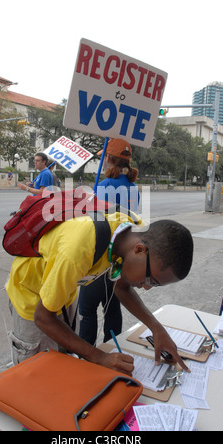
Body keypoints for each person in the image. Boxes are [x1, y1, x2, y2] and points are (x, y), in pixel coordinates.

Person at [5, 212, 194, 376]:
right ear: (139, 250)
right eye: (150, 279)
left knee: (63, 361)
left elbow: (121, 287)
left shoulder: (132, 231)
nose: (146, 287)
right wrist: (99, 356)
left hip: (62, 292)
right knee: (38, 374)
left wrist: (156, 328)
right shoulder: (78, 251)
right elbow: (44, 318)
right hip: (31, 296)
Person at [79, 138, 139, 345]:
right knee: (112, 307)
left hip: (101, 256)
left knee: (86, 310)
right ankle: (113, 348)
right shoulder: (133, 187)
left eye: (104, 157)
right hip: (121, 258)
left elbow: (96, 222)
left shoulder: (104, 185)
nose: (103, 161)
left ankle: (87, 355)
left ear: (110, 159)